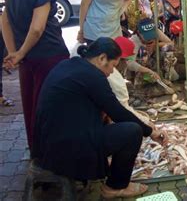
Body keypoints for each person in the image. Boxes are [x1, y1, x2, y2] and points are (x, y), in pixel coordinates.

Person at [33, 38, 168, 199]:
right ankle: (115, 186)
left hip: (46, 145)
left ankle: (106, 169)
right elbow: (118, 112)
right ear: (102, 58)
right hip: (65, 150)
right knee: (132, 131)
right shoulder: (93, 76)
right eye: (112, 66)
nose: (112, 72)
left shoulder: (70, 64)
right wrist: (150, 131)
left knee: (110, 122)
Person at [2, 0, 70, 148]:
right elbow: (38, 27)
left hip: (28, 57)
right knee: (50, 104)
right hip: (48, 55)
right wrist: (20, 52)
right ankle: (51, 154)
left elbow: (4, 19)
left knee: (32, 104)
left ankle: (37, 149)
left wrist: (15, 52)